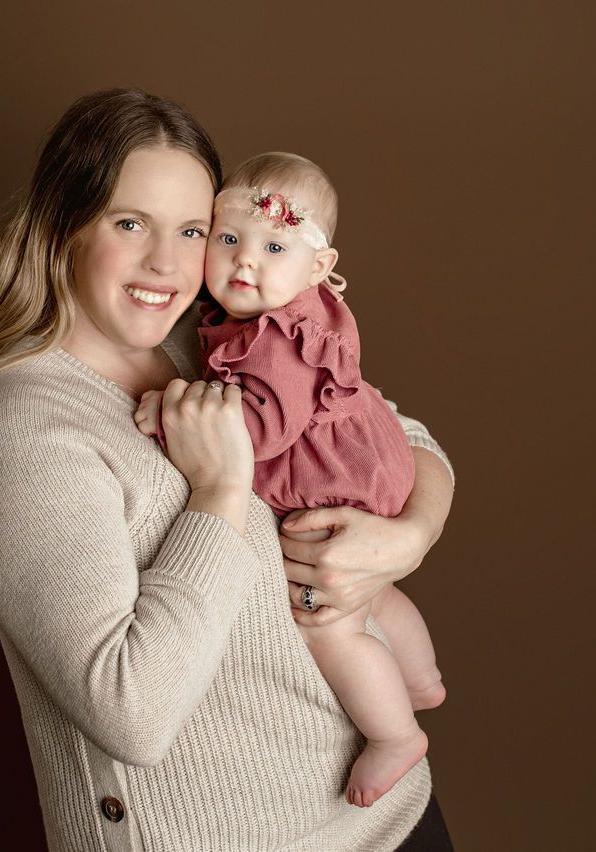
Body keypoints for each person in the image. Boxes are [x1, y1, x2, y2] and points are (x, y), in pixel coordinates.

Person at [0, 89, 455, 851]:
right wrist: (222, 490)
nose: (167, 263)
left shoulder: (206, 338)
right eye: (130, 223)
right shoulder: (18, 428)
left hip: (390, 821)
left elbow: (400, 432)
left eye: (193, 230)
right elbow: (131, 711)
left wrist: (408, 537)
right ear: (63, 226)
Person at [135, 152, 445, 809]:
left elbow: (259, 432)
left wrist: (172, 413)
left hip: (339, 482)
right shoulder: (299, 306)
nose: (245, 262)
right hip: (370, 458)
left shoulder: (273, 340)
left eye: (274, 245)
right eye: (227, 240)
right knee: (371, 592)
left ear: (320, 266)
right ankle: (419, 676)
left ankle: (395, 732)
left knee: (329, 621)